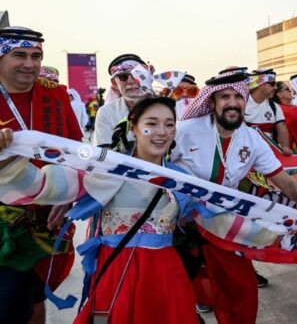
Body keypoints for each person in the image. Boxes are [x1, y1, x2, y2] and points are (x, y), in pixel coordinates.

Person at [0, 97, 201, 324]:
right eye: (152, 123)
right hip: (118, 273)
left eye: (169, 124)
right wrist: (5, 160)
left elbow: (210, 217)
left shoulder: (182, 181)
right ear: (133, 129)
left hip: (166, 277)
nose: (162, 131)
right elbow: (43, 185)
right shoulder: (108, 171)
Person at [172, 67, 297, 324]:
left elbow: (279, 177)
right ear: (212, 101)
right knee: (174, 286)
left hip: (222, 219)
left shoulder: (252, 139)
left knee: (241, 288)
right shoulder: (186, 129)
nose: (232, 103)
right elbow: (158, 166)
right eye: (224, 97)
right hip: (179, 223)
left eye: (238, 97)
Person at [0, 26, 83, 324]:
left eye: (36, 56)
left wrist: (70, 195)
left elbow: (77, 152)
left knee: (37, 301)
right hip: (4, 227)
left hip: (49, 220)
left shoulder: (56, 96)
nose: (30, 64)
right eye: (19, 55)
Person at [93, 54, 151, 147]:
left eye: (138, 75)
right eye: (123, 77)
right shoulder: (106, 112)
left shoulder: (168, 108)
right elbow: (105, 152)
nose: (131, 81)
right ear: (115, 83)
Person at [245, 68, 293, 154]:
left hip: (268, 157)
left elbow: (282, 127)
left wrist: (285, 147)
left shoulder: (274, 106)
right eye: (272, 84)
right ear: (260, 84)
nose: (275, 87)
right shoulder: (242, 105)